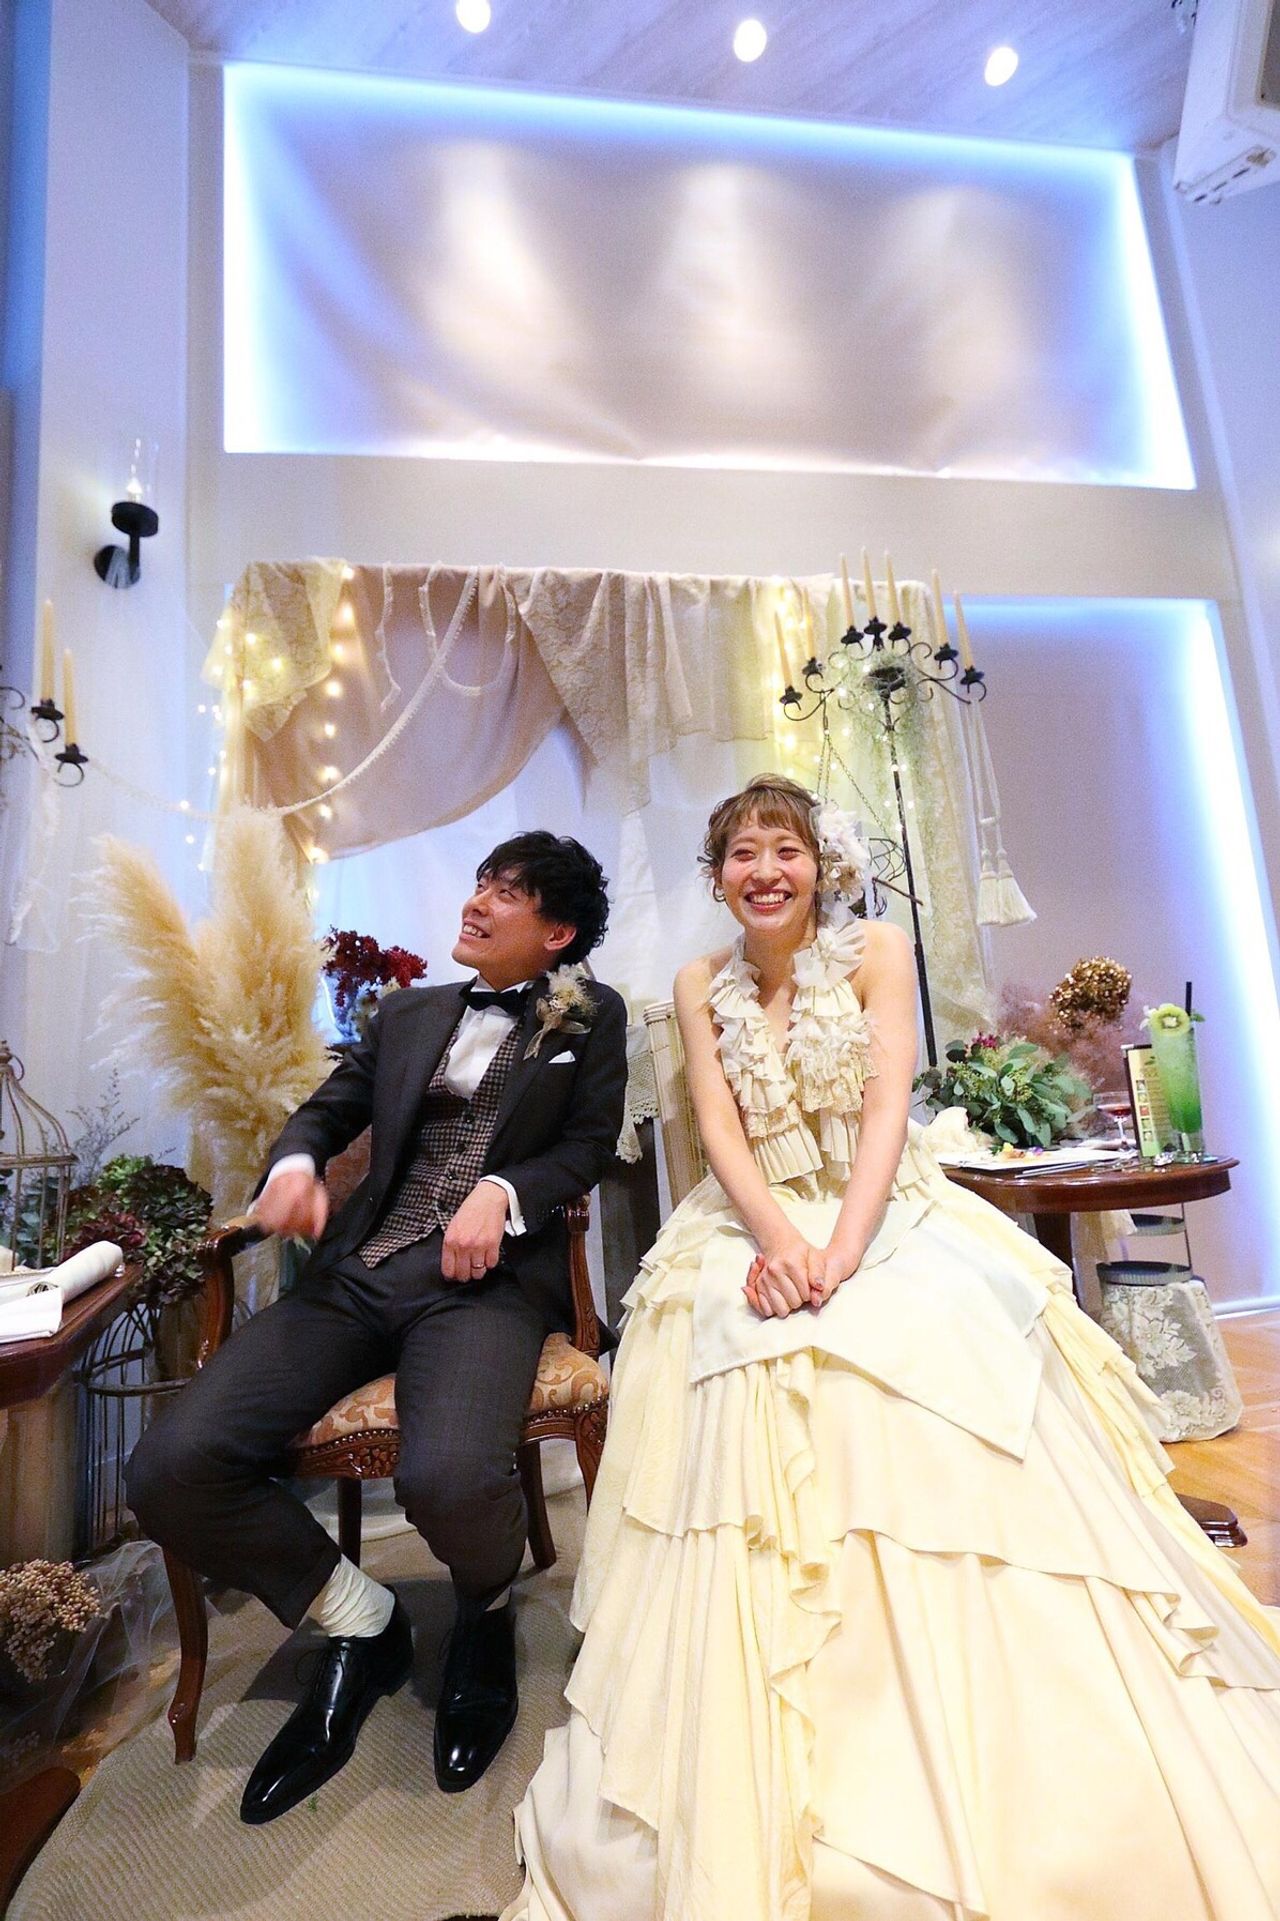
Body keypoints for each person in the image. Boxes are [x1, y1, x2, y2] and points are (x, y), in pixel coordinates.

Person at [502, 774, 1280, 1921]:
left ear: (818, 864)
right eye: (740, 854)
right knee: (723, 1344)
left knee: (936, 1329)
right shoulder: (697, 983)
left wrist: (843, 1247)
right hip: (751, 1220)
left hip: (880, 1204)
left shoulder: (875, 951)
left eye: (784, 849)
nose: (764, 871)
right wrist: (779, 1241)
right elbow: (716, 1129)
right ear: (716, 876)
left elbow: (881, 1112)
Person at [128, 831, 628, 1824]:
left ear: (557, 933)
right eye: (481, 881)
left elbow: (587, 1144)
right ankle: (360, 1617)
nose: (477, 901)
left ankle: (482, 1607)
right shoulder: (405, 1013)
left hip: (485, 1286)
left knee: (448, 1476)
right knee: (168, 1467)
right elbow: (324, 1113)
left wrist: (503, 1191)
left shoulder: (590, 1014)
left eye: (508, 892)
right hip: (358, 1273)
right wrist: (292, 1166)